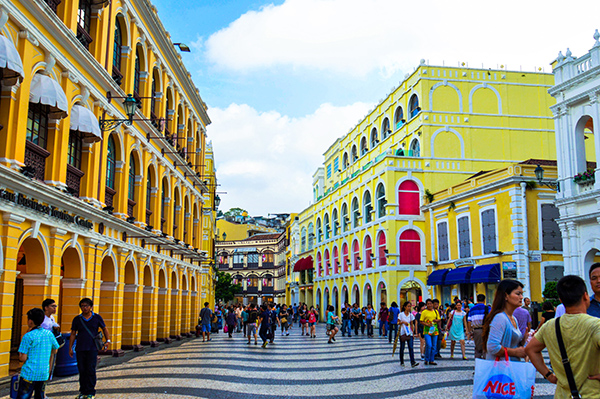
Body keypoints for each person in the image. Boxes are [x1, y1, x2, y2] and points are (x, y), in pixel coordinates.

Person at [525, 275, 600, 397]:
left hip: (562, 394)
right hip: (592, 393)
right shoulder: (595, 325)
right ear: (586, 296)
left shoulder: (550, 326)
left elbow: (530, 349)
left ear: (561, 300)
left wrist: (549, 375)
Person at [69, 298, 110, 399]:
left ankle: (91, 392)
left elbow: (104, 328)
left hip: (92, 348)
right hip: (80, 348)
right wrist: (70, 347)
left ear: (91, 307)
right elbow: (73, 333)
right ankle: (83, 391)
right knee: (82, 370)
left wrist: (108, 340)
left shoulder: (96, 318)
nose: (84, 308)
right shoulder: (77, 319)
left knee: (90, 370)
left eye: (86, 306)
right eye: (82, 306)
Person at [16, 308, 60, 399]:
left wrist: (20, 355)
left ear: (30, 321)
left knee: (24, 396)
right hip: (43, 373)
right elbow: (55, 349)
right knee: (40, 395)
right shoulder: (49, 334)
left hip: (29, 373)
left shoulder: (28, 336)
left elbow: (23, 358)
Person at [482, 279, 526, 362]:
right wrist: (515, 352)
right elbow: (493, 347)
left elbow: (512, 344)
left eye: (522, 294)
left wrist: (523, 340)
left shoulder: (513, 318)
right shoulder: (500, 318)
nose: (521, 297)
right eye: (518, 294)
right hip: (502, 369)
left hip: (512, 367)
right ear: (506, 296)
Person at [467, 294, 490, 359]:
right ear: (484, 300)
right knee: (486, 348)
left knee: (478, 349)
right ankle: (486, 364)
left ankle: (478, 364)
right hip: (486, 330)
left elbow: (469, 321)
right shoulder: (488, 308)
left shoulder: (472, 309)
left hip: (476, 330)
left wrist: (470, 331)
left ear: (477, 300)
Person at [398, 301, 419, 367]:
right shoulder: (401, 314)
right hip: (402, 333)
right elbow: (397, 323)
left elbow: (412, 324)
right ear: (405, 307)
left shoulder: (411, 315)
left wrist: (413, 333)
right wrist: (403, 322)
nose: (409, 308)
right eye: (408, 306)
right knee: (402, 347)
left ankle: (412, 362)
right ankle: (402, 361)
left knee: (411, 347)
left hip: (409, 333)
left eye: (410, 306)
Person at [420, 299, 441, 365]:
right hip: (427, 330)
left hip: (434, 330)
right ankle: (426, 359)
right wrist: (427, 324)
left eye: (430, 303)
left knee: (434, 346)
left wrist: (436, 320)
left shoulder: (435, 311)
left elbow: (439, 319)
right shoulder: (424, 312)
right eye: (428, 304)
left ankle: (432, 359)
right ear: (426, 305)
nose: (429, 305)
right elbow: (421, 321)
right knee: (429, 345)